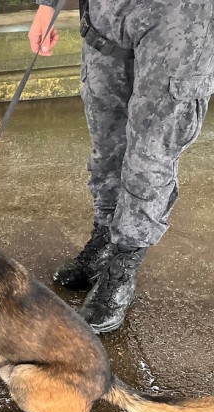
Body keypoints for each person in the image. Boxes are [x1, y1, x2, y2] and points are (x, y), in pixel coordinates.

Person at [28, 0, 214, 333]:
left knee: (150, 154)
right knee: (107, 143)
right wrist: (49, 6)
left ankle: (123, 263)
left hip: (181, 19)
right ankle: (104, 238)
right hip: (108, 14)